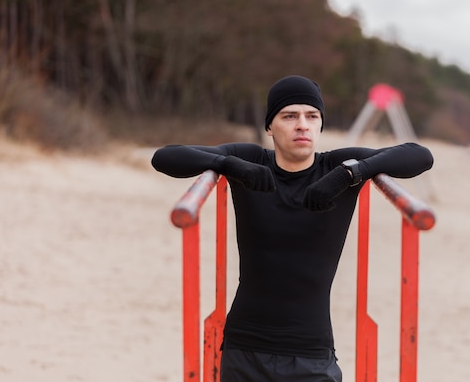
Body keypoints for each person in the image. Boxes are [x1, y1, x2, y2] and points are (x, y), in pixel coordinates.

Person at [151, 75, 433, 382]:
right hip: (244, 349)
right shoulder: (251, 160)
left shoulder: (336, 168)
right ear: (270, 127)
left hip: (311, 354)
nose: (302, 125)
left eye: (312, 116)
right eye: (289, 116)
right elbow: (165, 156)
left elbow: (420, 155)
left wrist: (352, 173)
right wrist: (230, 165)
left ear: (320, 125)